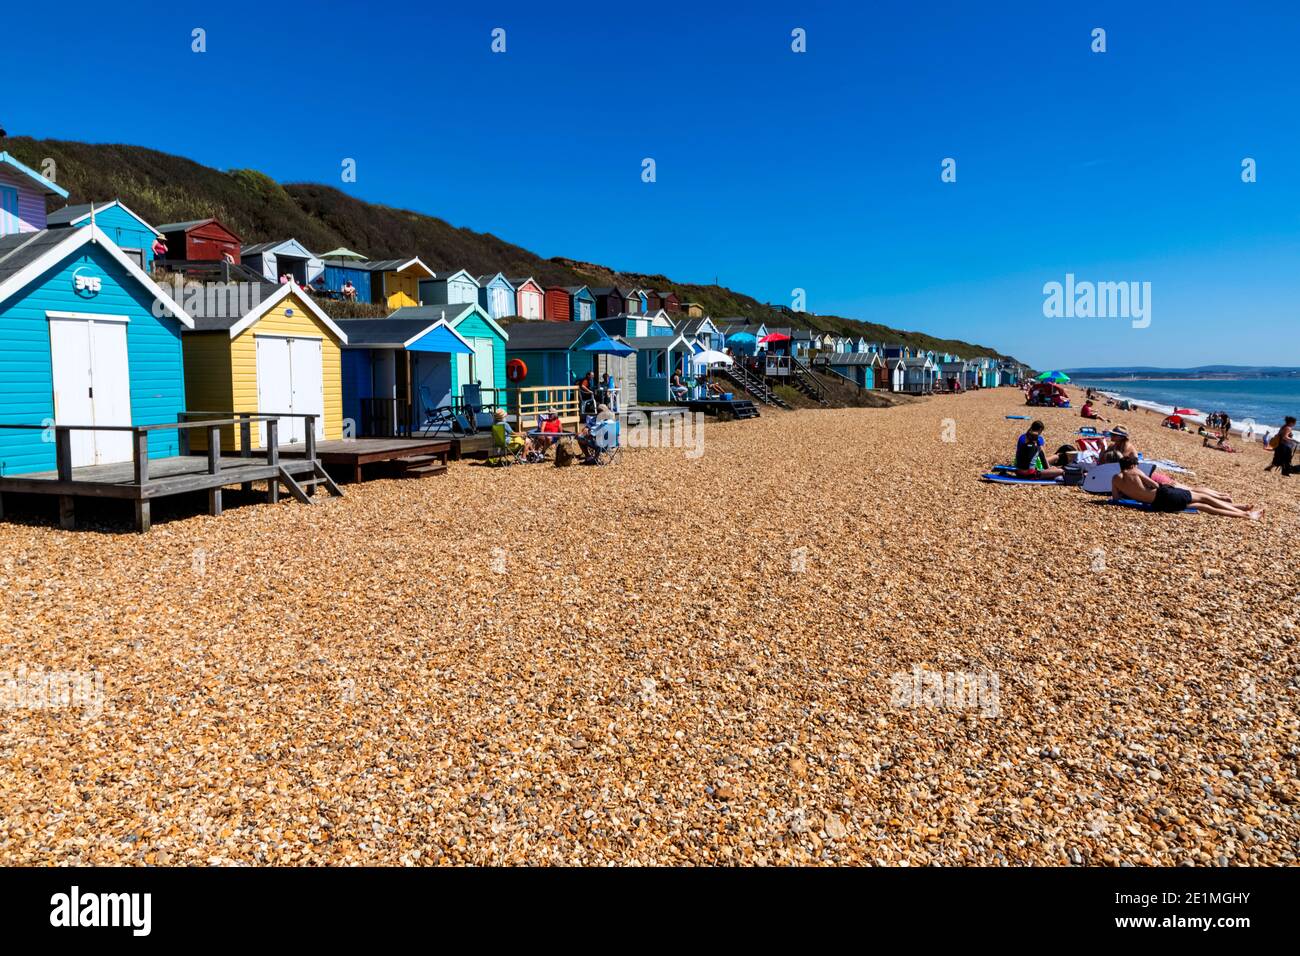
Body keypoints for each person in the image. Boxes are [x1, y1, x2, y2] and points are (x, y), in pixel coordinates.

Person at [1112, 455, 1261, 519]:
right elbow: (1154, 484)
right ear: (1132, 465)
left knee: (1202, 506)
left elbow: (1116, 498)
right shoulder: (1134, 471)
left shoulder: (1115, 478)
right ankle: (1245, 513)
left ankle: (1242, 511)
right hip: (1164, 495)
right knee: (1205, 498)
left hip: (1158, 504)